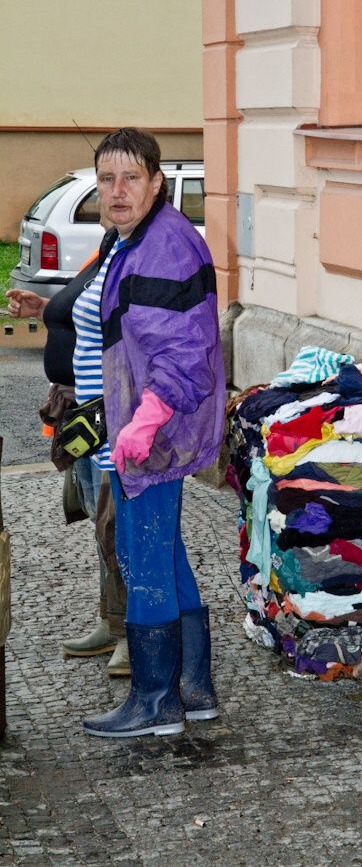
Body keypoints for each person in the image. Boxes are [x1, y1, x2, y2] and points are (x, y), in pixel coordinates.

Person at [40, 126, 225, 739]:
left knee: (142, 559)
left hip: (149, 432)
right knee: (163, 555)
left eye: (131, 178)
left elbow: (182, 351)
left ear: (157, 183)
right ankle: (193, 690)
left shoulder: (164, 247)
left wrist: (143, 424)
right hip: (126, 425)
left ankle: (154, 702)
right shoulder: (128, 238)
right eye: (106, 179)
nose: (117, 191)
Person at [6, 260, 129, 677]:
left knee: (118, 529)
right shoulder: (104, 251)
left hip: (111, 416)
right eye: (104, 187)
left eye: (122, 186)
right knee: (101, 524)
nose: (112, 192)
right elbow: (85, 321)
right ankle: (111, 621)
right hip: (83, 416)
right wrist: (43, 307)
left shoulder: (136, 251)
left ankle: (133, 634)